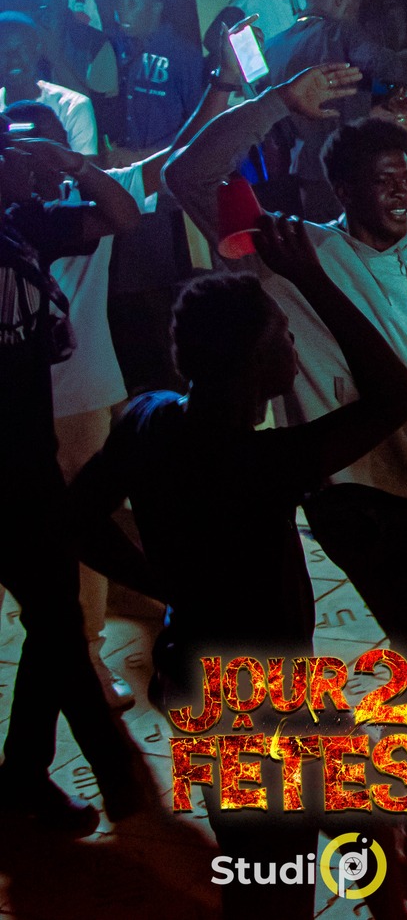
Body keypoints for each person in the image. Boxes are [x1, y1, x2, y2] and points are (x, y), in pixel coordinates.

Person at [163, 65, 407, 879]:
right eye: (380, 179)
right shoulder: (295, 250)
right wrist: (277, 103)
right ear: (342, 190)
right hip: (338, 484)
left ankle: (385, 791)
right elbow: (188, 176)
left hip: (404, 482)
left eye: (404, 176)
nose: (400, 191)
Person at [67, 213, 407, 919]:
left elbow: (76, 517)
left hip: (200, 668)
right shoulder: (260, 464)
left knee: (336, 826)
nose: (293, 345)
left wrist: (161, 583)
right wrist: (312, 278)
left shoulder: (149, 418)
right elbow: (398, 395)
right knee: (275, 883)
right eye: (283, 336)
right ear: (255, 363)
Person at [0, 130, 149, 834]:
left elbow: (123, 215)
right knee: (55, 619)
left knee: (54, 618)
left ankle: (31, 779)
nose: (20, 160)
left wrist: (72, 164)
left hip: (26, 459)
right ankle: (92, 779)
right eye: (7, 152)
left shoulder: (24, 225)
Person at [263, 0, 407, 222]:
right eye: (354, 8)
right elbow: (380, 63)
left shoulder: (272, 47)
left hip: (306, 174)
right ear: (340, 0)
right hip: (351, 166)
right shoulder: (338, 32)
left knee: (324, 240)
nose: (355, 17)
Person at [103, 0, 206, 154]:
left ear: (157, 6)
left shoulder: (183, 56)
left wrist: (142, 156)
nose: (122, 12)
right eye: (120, 3)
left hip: (168, 167)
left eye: (132, 4)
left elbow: (200, 126)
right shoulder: (117, 48)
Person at [0, 12, 98, 156]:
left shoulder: (73, 107)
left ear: (37, 49)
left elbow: (87, 168)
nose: (13, 59)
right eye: (3, 51)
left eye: (22, 49)